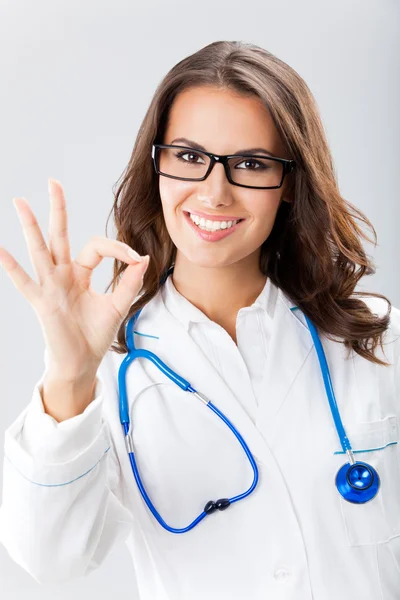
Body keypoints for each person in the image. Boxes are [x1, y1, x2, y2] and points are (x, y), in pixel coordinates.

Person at [0, 40, 399, 600]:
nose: (215, 192)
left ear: (290, 184)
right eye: (189, 157)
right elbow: (51, 558)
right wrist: (69, 373)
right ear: (156, 164)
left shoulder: (379, 339)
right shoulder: (109, 372)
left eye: (252, 164)